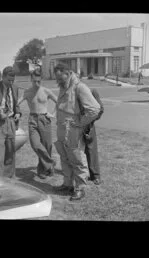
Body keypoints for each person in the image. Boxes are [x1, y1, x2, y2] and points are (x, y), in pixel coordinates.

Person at [53, 63, 100, 201]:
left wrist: (80, 122)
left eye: (61, 78)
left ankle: (80, 188)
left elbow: (95, 109)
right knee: (64, 157)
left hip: (73, 129)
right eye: (57, 79)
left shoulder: (80, 87)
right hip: (62, 127)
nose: (58, 81)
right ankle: (67, 184)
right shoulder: (64, 86)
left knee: (77, 158)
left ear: (68, 73)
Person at [18, 68, 57, 179]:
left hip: (45, 119)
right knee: (35, 144)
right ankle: (50, 163)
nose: (36, 83)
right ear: (31, 79)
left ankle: (42, 170)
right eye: (34, 81)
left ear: (41, 80)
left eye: (39, 81)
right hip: (33, 120)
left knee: (47, 146)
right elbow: (17, 103)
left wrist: (53, 114)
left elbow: (58, 101)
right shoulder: (27, 92)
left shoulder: (46, 91)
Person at [82, 88, 104, 185]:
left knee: (90, 149)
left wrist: (90, 121)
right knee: (74, 151)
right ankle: (80, 174)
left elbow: (100, 109)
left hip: (87, 124)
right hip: (74, 124)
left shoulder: (91, 92)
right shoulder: (71, 93)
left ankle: (95, 175)